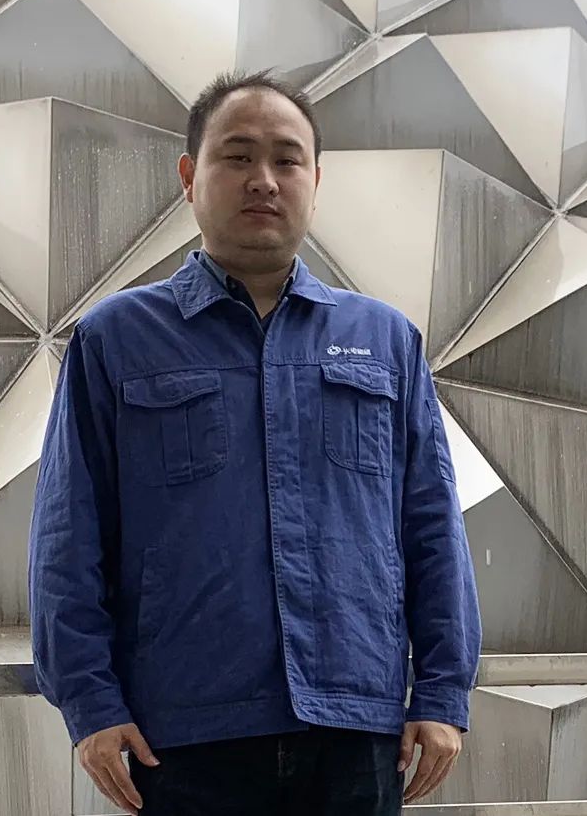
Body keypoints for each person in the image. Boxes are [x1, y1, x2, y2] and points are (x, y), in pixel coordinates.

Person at [28, 69, 482, 815]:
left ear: (315, 181)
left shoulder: (385, 340)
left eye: (286, 159)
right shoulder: (118, 339)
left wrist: (442, 690)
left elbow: (430, 525)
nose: (263, 180)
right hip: (186, 733)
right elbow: (68, 534)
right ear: (189, 177)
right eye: (237, 156)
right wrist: (90, 701)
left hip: (356, 729)